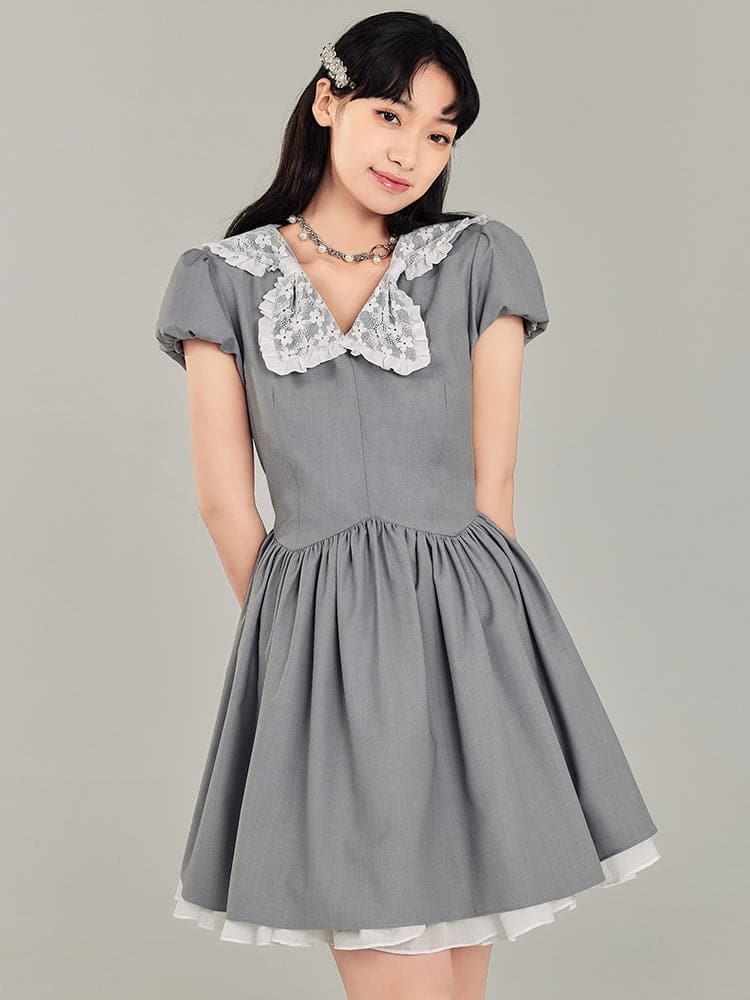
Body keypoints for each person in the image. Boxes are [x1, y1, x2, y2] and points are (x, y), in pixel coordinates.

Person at [154, 11, 660, 999]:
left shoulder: (478, 257)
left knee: (455, 977)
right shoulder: (220, 278)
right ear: (327, 101)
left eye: (440, 132)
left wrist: (468, 655)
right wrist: (308, 653)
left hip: (459, 631)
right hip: (343, 641)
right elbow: (224, 502)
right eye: (391, 114)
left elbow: (491, 490)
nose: (412, 152)